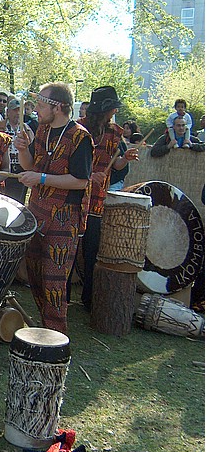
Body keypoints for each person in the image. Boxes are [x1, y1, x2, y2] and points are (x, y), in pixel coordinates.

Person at [14, 82, 94, 334]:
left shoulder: (81, 137)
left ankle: (56, 340)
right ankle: (45, 330)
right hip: (37, 211)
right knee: (35, 276)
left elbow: (81, 181)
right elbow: (30, 167)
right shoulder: (42, 131)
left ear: (58, 106)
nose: (36, 108)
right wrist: (22, 150)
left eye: (41, 103)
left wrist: (42, 179)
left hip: (63, 219)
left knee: (54, 282)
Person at [75, 86, 139, 311]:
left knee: (92, 250)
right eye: (111, 108)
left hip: (97, 199)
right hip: (75, 195)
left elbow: (117, 164)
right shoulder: (78, 128)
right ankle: (60, 296)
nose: (114, 112)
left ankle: (88, 298)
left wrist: (125, 158)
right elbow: (69, 164)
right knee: (71, 248)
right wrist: (88, 175)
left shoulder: (115, 132)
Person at [0, 97, 35, 203]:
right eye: (15, 110)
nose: (18, 113)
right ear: (8, 112)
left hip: (20, 171)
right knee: (1, 201)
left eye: (20, 111)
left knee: (18, 202)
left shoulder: (27, 129)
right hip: (2, 170)